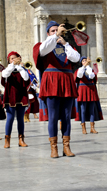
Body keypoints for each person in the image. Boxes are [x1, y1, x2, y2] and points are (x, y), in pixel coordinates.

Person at [33, 21, 80, 158]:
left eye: (57, 30)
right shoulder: (42, 45)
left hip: (66, 80)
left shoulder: (67, 46)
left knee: (66, 116)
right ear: (48, 33)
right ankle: (54, 147)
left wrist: (65, 44)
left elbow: (75, 58)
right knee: (53, 116)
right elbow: (43, 51)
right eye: (53, 30)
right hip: (52, 80)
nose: (56, 32)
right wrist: (55, 37)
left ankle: (66, 146)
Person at [1, 51, 30, 148]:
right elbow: (4, 75)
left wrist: (20, 68)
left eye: (15, 58)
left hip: (21, 96)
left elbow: (26, 79)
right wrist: (12, 65)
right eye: (11, 58)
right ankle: (7, 140)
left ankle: (21, 139)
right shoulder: (7, 69)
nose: (13, 60)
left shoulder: (22, 69)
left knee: (20, 119)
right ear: (9, 60)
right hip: (10, 96)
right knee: (10, 118)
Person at [74, 56, 103, 134]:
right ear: (81, 63)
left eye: (86, 61)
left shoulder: (91, 70)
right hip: (82, 91)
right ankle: (84, 128)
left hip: (91, 90)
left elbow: (92, 76)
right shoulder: (79, 70)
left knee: (91, 110)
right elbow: (79, 76)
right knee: (83, 110)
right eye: (83, 61)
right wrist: (84, 67)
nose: (85, 62)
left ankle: (92, 127)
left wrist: (89, 68)